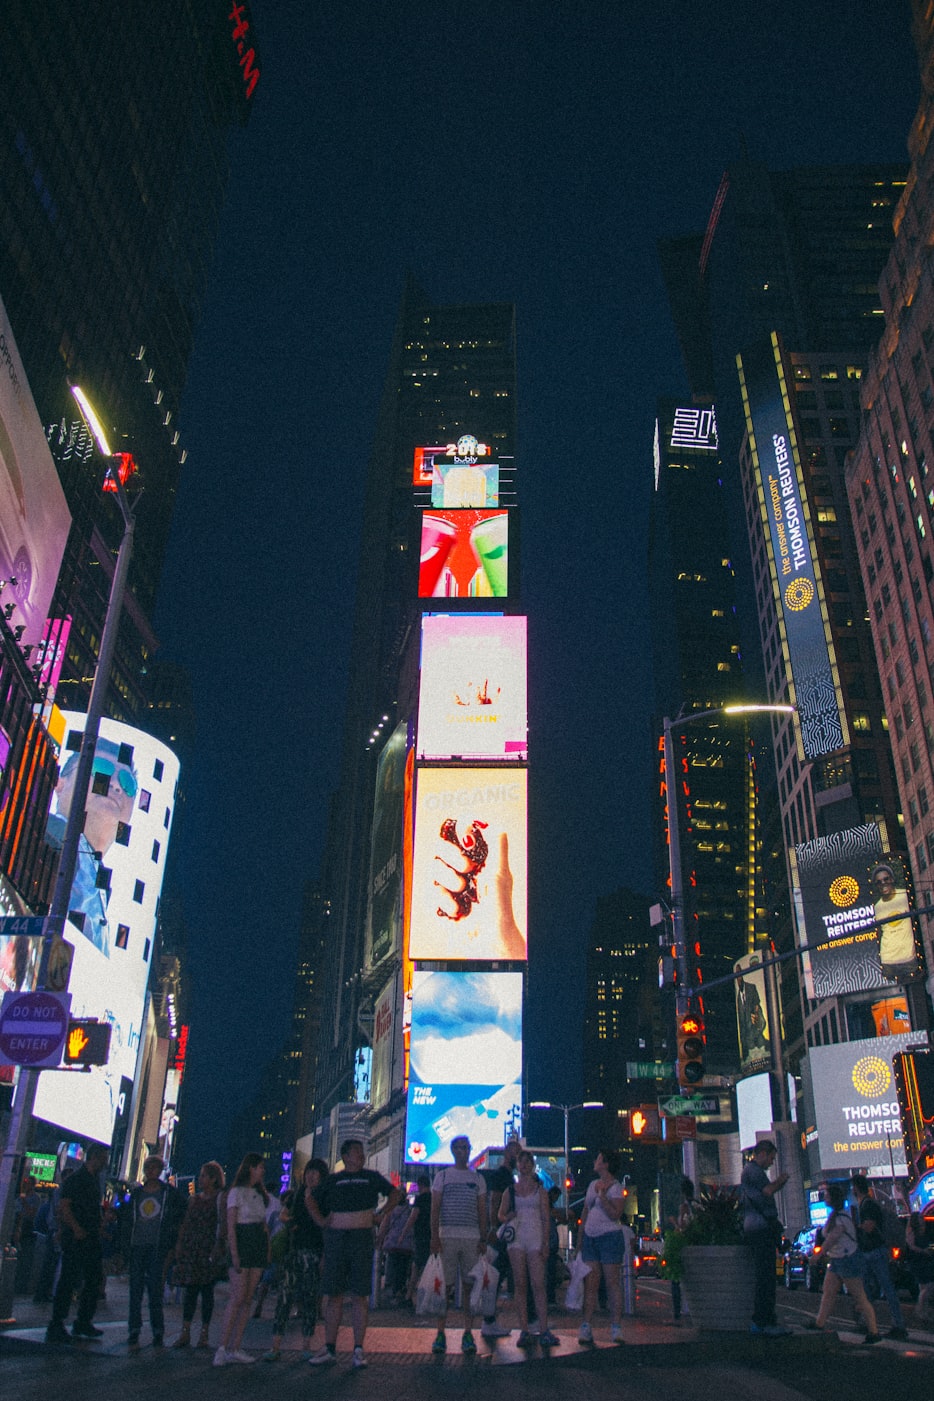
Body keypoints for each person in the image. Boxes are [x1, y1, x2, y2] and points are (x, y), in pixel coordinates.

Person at [309, 1139, 399, 1369]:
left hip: (361, 1238)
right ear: (346, 1156)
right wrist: (321, 1221)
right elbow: (310, 1198)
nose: (361, 1155)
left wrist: (381, 1214)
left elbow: (395, 1194)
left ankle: (358, 1348)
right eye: (356, 1152)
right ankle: (330, 1347)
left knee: (360, 1294)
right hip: (337, 1239)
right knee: (334, 1294)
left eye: (361, 1152)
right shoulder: (333, 1180)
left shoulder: (371, 1177)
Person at [45, 741, 138, 956]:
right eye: (101, 769)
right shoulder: (36, 832)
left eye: (128, 783)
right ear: (60, 784)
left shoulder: (102, 889)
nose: (115, 784)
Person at [264, 1158, 328, 1361]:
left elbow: (326, 1226)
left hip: (313, 1252)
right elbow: (283, 1214)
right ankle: (275, 1345)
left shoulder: (324, 1197)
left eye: (315, 1172)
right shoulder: (297, 1194)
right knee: (285, 1296)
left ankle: (306, 1345)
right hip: (294, 1251)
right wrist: (292, 1222)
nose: (311, 1176)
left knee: (309, 1299)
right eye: (309, 1172)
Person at [429, 1134, 488, 1355]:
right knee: (445, 1286)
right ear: (453, 1150)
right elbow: (435, 1208)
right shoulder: (442, 1177)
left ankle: (468, 1332)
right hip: (447, 1236)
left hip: (471, 1237)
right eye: (460, 1147)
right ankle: (440, 1332)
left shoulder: (478, 1179)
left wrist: (483, 1237)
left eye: (466, 1147)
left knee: (469, 1286)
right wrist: (434, 1236)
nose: (464, 1151)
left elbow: (482, 1210)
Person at [46, 1142, 109, 1343]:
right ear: (95, 1157)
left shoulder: (93, 1180)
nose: (106, 1162)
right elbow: (64, 1207)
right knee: (69, 1279)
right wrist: (76, 1228)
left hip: (89, 1236)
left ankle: (83, 1320)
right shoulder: (77, 1179)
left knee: (93, 1278)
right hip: (77, 1238)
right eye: (104, 1158)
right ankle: (57, 1323)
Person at [123, 1155, 185, 1350]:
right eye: (148, 1167)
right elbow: (126, 1219)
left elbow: (180, 1216)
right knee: (135, 1290)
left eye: (154, 1167)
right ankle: (134, 1330)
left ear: (160, 1170)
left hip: (157, 1247)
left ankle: (157, 1330)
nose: (150, 1171)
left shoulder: (169, 1194)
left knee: (155, 1289)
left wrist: (174, 1243)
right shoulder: (136, 1194)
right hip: (137, 1245)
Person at [497, 1149, 558, 1347]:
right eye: (520, 1162)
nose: (523, 1165)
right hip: (517, 1239)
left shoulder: (540, 1191)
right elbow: (500, 1214)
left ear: (532, 1165)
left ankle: (543, 1328)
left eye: (527, 1162)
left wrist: (546, 1242)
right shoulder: (511, 1191)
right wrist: (508, 1217)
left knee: (538, 1284)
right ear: (517, 1165)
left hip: (535, 1237)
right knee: (520, 1284)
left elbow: (545, 1217)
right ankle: (524, 1329)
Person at [806, 1183, 880, 1343]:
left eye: (827, 1195)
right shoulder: (836, 1216)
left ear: (833, 1198)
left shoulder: (841, 1218)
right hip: (838, 1259)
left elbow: (832, 1238)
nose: (824, 1197)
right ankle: (819, 1323)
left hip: (847, 1259)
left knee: (859, 1297)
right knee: (828, 1292)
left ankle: (874, 1331)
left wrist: (818, 1255)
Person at [214, 1154, 270, 1366]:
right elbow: (231, 1225)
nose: (262, 1171)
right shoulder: (235, 1192)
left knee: (247, 1298)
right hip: (242, 1241)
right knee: (237, 1297)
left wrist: (267, 1249)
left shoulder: (260, 1194)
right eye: (259, 1167)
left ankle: (235, 1347)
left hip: (257, 1243)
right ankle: (222, 1347)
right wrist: (234, 1253)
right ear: (251, 1168)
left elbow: (264, 1225)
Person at [171, 1161, 226, 1349]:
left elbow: (222, 1224)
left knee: (207, 1291)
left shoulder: (219, 1199)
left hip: (208, 1248)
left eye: (204, 1176)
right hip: (193, 1248)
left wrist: (219, 1246)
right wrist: (180, 1244)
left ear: (213, 1178)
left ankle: (204, 1334)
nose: (201, 1179)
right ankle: (185, 1332)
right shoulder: (194, 1199)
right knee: (191, 1290)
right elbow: (186, 1223)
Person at [578, 1149, 627, 1346]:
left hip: (610, 1237)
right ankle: (586, 1325)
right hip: (590, 1237)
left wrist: (603, 1196)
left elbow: (616, 1214)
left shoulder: (616, 1187)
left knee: (612, 1282)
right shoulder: (592, 1184)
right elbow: (585, 1211)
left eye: (598, 1158)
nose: (595, 1161)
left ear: (606, 1164)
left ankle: (616, 1326)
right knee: (591, 1283)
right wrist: (580, 1238)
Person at [741, 1139, 789, 1337]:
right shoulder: (753, 1172)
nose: (771, 1162)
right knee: (766, 1278)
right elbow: (768, 1191)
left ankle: (764, 1320)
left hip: (758, 1229)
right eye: (771, 1158)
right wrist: (781, 1180)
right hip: (760, 1230)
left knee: (766, 1277)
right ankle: (763, 1320)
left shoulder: (750, 1172)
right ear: (762, 1153)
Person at [850, 1175, 907, 1339]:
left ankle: (896, 1324)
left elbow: (869, 1227)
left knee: (883, 1288)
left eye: (853, 1187)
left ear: (856, 1187)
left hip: (874, 1251)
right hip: (871, 1251)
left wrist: (855, 1227)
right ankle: (869, 1322)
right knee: (871, 1288)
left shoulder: (867, 1205)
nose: (852, 1190)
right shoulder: (866, 1204)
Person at [480, 1136, 520, 1337]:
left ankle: (490, 1318)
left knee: (497, 1274)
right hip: (501, 1232)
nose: (518, 1157)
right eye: (515, 1153)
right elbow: (494, 1200)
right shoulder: (501, 1175)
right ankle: (489, 1319)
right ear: (507, 1153)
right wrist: (494, 1226)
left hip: (504, 1230)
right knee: (495, 1274)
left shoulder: (509, 1176)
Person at [871, 862, 916, 977]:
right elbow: (878, 933)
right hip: (888, 961)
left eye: (886, 879)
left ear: (892, 879)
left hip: (909, 958)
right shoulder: (877, 907)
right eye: (879, 882)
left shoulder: (905, 896)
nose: (883, 883)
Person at [377, 1191, 413, 1304]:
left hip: (392, 1243)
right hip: (406, 1245)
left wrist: (379, 1240)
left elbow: (384, 1226)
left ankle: (390, 1290)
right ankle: (400, 1290)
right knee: (403, 1268)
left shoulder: (390, 1211)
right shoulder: (409, 1210)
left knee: (391, 1265)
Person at [668, 1177, 694, 1324]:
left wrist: (674, 1223)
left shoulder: (684, 1207)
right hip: (692, 1244)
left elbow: (683, 1227)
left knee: (676, 1280)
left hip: (682, 1245)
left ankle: (677, 1312)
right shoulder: (696, 1204)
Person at [905, 1211, 934, 1324]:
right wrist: (923, 1251)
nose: (923, 1220)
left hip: (926, 1261)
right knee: (926, 1286)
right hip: (918, 1261)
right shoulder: (913, 1232)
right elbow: (911, 1246)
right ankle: (920, 1310)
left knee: (926, 1287)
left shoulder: (926, 1231)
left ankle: (923, 1310)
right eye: (920, 1218)